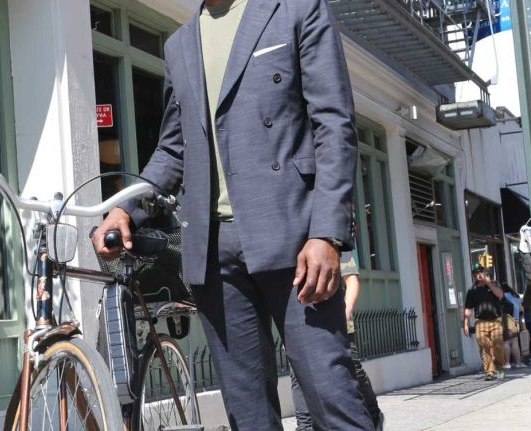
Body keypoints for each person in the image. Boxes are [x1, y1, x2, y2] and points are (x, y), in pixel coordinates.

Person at [92, 0, 371, 428]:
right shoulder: (180, 44)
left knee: (332, 400)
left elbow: (333, 125)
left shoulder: (295, 10)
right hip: (214, 253)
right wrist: (126, 208)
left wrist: (327, 235)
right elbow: (173, 150)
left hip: (297, 240)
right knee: (248, 416)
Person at [290, 251, 384, 430]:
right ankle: (305, 428)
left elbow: (352, 282)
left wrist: (344, 314)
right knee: (298, 377)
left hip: (335, 324)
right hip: (299, 326)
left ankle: (373, 414)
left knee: (352, 370)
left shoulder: (333, 242)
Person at [463, 263, 506, 380]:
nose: (479, 274)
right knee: (484, 346)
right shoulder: (472, 291)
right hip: (480, 322)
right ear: (473, 275)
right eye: (476, 273)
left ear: (484, 272)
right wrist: (466, 323)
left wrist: (488, 283)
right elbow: (468, 308)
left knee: (498, 345)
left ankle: (499, 367)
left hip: (495, 321)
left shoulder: (493, 285)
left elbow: (500, 295)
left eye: (480, 272)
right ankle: (489, 372)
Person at [500, 282, 525, 369]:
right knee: (515, 343)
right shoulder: (516, 296)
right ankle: (518, 362)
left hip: (505, 320)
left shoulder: (502, 296)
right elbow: (520, 308)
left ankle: (507, 363)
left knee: (506, 342)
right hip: (515, 321)